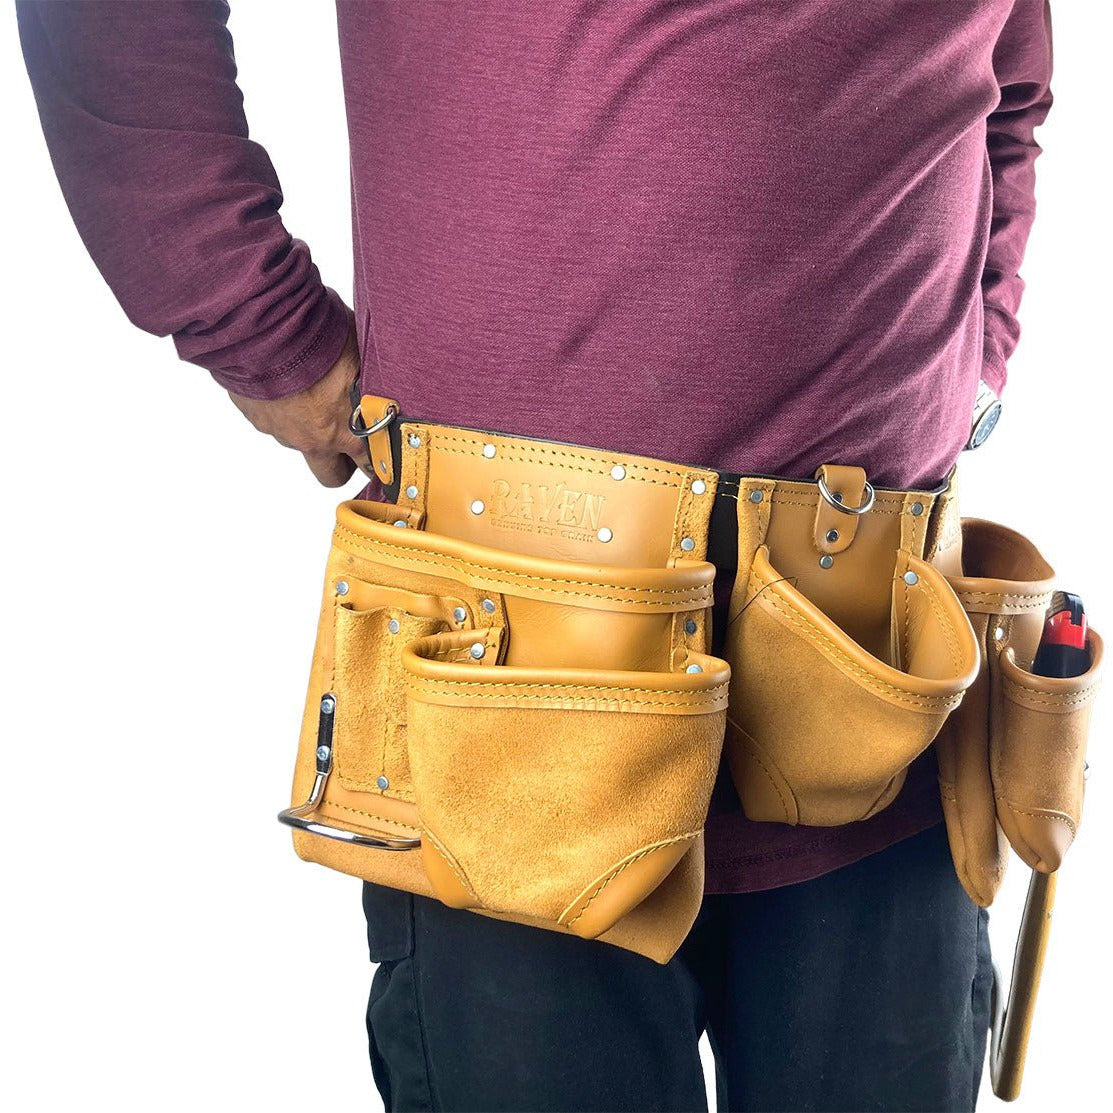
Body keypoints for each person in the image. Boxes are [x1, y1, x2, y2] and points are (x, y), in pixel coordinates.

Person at [19, 2, 1053, 1110]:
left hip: (886, 695)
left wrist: (981, 342)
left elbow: (1010, 75)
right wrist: (256, 323)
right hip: (514, 715)